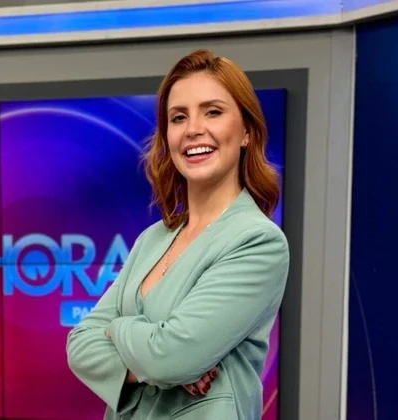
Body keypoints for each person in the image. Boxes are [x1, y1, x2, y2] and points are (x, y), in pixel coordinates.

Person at [66, 49, 289, 420]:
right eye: (178, 117)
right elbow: (79, 344)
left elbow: (171, 359)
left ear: (247, 132)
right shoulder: (153, 238)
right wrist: (155, 360)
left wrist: (118, 330)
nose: (192, 129)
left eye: (213, 112)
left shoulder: (257, 241)